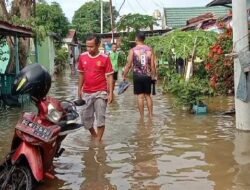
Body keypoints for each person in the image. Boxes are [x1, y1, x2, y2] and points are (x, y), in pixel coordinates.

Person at [78, 34, 114, 141]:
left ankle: (98, 143)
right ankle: (95, 136)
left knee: (100, 118)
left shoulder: (105, 58)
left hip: (101, 92)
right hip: (87, 92)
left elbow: (109, 76)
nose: (89, 49)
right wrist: (79, 90)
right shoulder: (82, 57)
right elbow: (81, 74)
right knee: (85, 119)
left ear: (98, 45)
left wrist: (111, 93)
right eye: (87, 46)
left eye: (91, 46)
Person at [123, 31, 156, 118]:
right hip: (147, 75)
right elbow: (153, 65)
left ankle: (141, 117)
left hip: (137, 76)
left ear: (136, 39)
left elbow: (129, 64)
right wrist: (154, 75)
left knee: (140, 96)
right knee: (148, 96)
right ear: (144, 39)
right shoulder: (150, 50)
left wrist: (124, 75)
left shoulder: (133, 50)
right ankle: (151, 115)